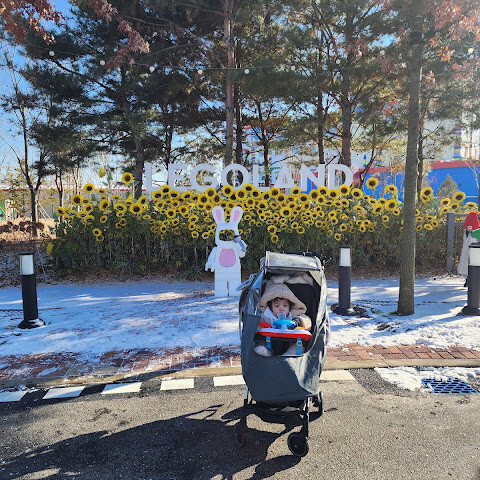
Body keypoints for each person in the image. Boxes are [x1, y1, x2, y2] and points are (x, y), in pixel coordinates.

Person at [254, 282, 312, 356]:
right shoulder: (266, 316)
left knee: (298, 346)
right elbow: (255, 325)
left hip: (290, 341)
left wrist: (298, 322)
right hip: (270, 342)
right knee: (261, 344)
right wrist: (260, 326)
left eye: (285, 305)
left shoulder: (293, 315)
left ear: (289, 307)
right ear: (271, 308)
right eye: (277, 306)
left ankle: (289, 355)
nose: (281, 309)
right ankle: (265, 353)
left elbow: (307, 320)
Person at [458, 212, 479, 287]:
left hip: (475, 252)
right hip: (467, 251)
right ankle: (467, 280)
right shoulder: (466, 232)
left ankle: (472, 280)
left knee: (474, 266)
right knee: (466, 266)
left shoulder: (477, 232)